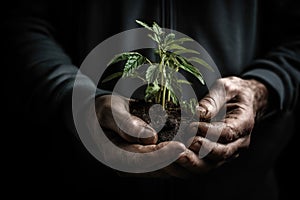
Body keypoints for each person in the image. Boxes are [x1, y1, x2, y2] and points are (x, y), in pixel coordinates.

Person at [3, 0, 299, 199]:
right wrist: (76, 100)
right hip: (79, 178)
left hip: (243, 184)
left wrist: (264, 88)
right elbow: (23, 20)